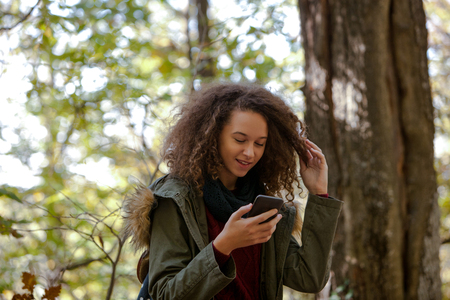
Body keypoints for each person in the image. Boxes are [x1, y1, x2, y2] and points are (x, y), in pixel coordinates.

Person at [122, 83, 343, 300]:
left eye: (260, 143)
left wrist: (318, 193)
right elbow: (164, 294)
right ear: (212, 135)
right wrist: (224, 245)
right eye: (239, 139)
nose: (249, 152)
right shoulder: (176, 199)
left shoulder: (264, 205)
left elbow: (309, 278)